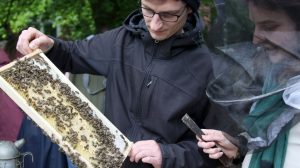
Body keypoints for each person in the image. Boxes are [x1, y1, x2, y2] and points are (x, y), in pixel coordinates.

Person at [16, 0, 222, 167]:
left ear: (188, 9)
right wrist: (49, 45)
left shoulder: (210, 66)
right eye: (148, 10)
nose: (155, 24)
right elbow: (71, 53)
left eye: (168, 14)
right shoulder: (121, 40)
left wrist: (167, 155)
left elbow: (222, 148)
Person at [197, 0, 300, 168]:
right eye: (255, 26)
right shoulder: (274, 82)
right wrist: (238, 148)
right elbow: (266, 139)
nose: (255, 39)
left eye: (269, 27)